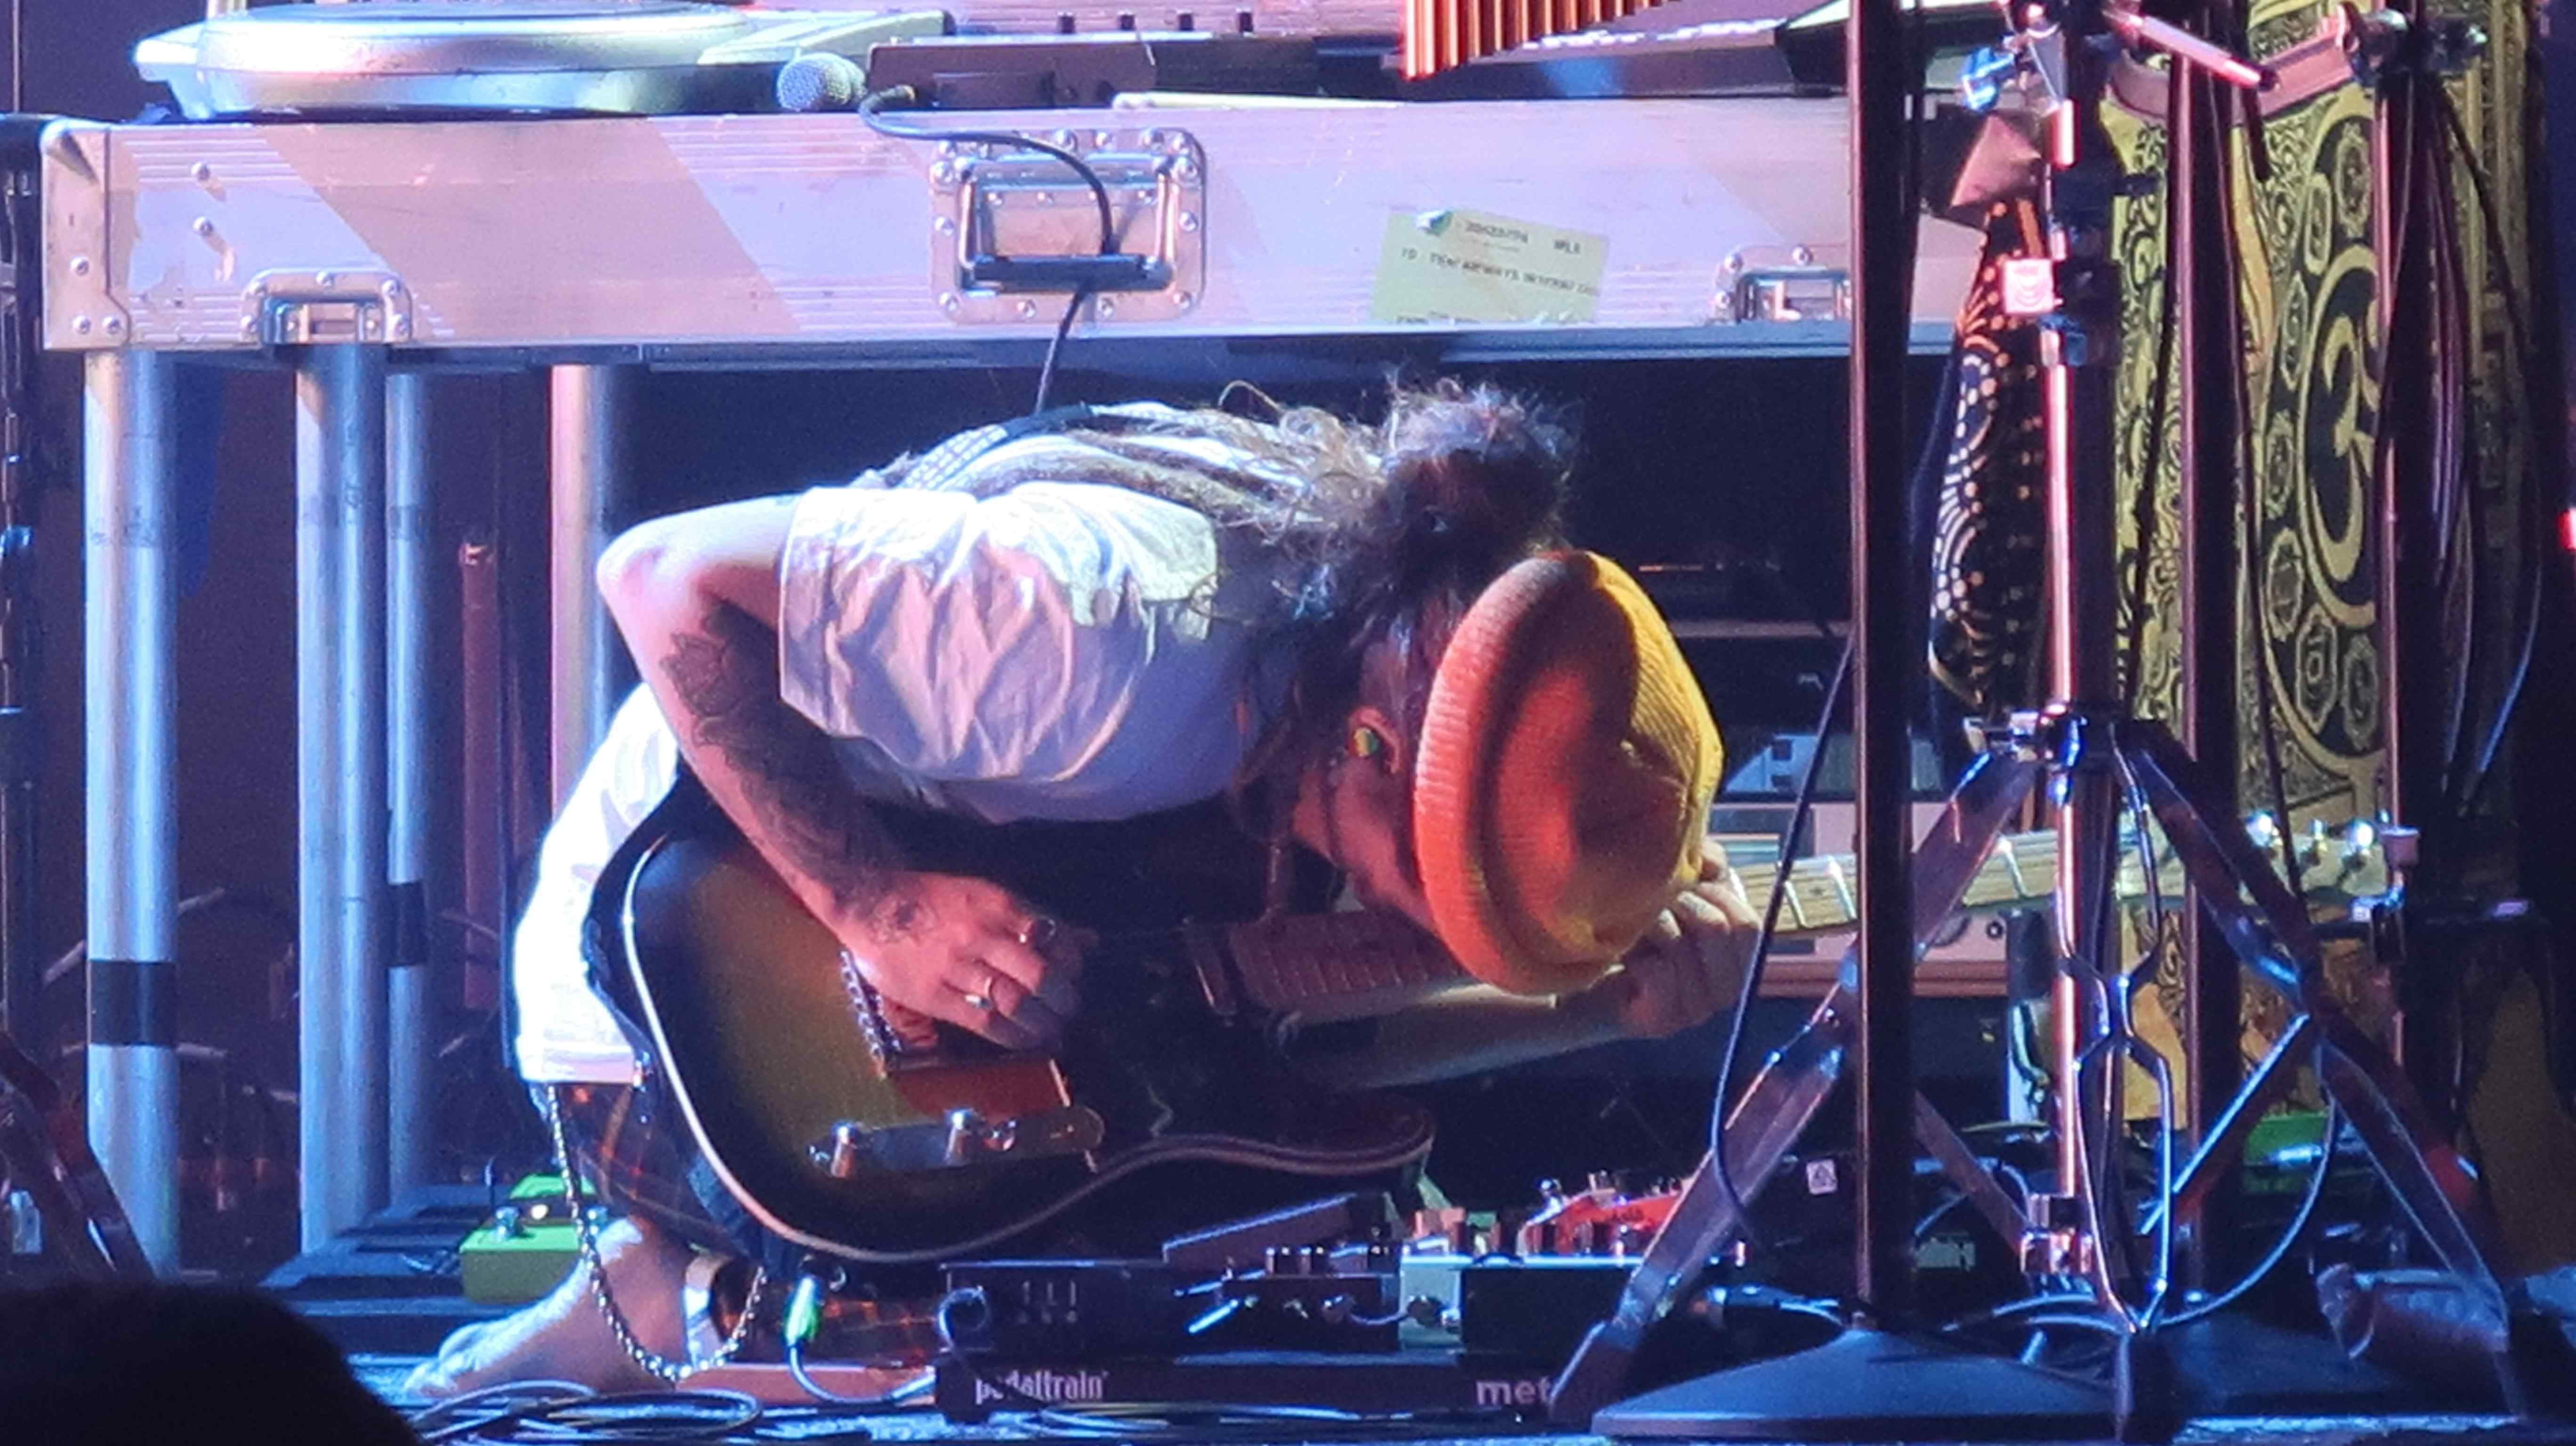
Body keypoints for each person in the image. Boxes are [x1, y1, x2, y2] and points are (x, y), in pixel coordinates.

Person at [410, 381, 1756, 1397]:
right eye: (1441, 888)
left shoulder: (1354, 656)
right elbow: (662, 580)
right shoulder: (1101, 638)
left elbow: (1288, 1049)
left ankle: (683, 1290)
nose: (1429, 931)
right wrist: (879, 911)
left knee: (1266, 1246)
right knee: (1029, 1356)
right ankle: (682, 1308)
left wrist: (1602, 1010)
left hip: (885, 995)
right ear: (1377, 748)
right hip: (677, 1017)